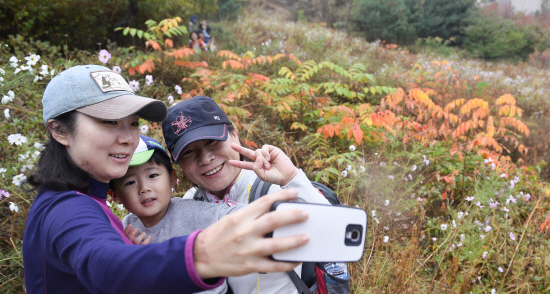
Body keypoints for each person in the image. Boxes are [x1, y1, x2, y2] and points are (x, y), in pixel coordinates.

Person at [22, 65, 310, 293]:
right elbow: (105, 266)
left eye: (133, 123)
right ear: (60, 130)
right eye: (109, 122)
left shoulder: (83, 200)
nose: (127, 138)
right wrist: (200, 254)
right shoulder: (68, 209)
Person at [161, 95, 331, 294]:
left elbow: (331, 237)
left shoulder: (273, 190)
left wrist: (291, 177)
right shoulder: (189, 203)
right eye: (188, 152)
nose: (206, 159)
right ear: (178, 164)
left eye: (212, 141)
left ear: (234, 134)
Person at [110, 134, 244, 293]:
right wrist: (131, 256)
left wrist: (282, 183)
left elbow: (248, 217)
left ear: (172, 179)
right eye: (130, 182)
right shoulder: (126, 229)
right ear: (115, 196)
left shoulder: (197, 213)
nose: (144, 188)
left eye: (153, 175)